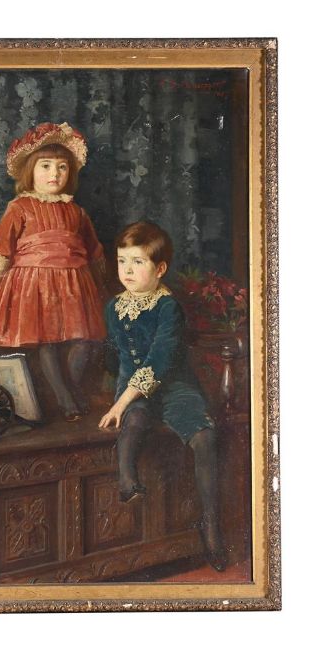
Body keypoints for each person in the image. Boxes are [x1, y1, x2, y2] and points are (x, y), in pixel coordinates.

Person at [99, 221, 226, 571]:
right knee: (136, 418)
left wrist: (120, 402)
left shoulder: (168, 307)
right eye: (122, 260)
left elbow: (159, 359)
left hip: (174, 387)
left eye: (138, 262)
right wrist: (116, 398)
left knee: (204, 436)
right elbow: (112, 355)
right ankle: (127, 481)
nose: (127, 270)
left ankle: (210, 526)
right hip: (131, 388)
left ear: (160, 269)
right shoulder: (113, 307)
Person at [0, 122, 106, 421]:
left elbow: (93, 250)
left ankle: (69, 390)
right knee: (47, 342)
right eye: (46, 166)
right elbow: (1, 248)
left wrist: (99, 283)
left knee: (84, 341)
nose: (55, 174)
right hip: (34, 283)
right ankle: (66, 400)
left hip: (73, 283)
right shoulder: (20, 207)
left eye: (62, 167)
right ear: (30, 171)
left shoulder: (76, 211)